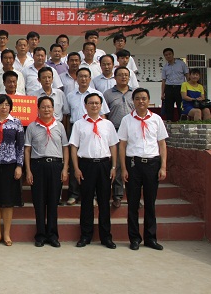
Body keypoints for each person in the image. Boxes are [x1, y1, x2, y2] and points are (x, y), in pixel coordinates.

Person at [118, 88, 168, 251]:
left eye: (144, 98)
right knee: (133, 203)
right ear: (133, 101)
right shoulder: (127, 120)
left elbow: (162, 144)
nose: (141, 101)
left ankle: (150, 238)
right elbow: (122, 145)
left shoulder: (156, 119)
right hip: (133, 164)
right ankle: (134, 238)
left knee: (150, 203)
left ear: (148, 100)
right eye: (138, 98)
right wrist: (123, 168)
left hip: (152, 164)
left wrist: (163, 166)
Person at [69, 93, 118, 249]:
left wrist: (114, 167)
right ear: (86, 105)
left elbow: (113, 146)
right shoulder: (79, 124)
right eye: (91, 103)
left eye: (97, 103)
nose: (94, 106)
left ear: (101, 105)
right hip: (86, 165)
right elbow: (74, 147)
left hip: (104, 165)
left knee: (104, 201)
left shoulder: (108, 125)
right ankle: (85, 235)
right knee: (86, 201)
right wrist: (76, 168)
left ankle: (106, 237)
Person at [24, 96, 69, 247]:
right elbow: (27, 149)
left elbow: (65, 148)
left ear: (53, 109)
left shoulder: (59, 126)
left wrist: (65, 168)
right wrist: (28, 170)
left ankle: (53, 235)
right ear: (38, 109)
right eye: (43, 107)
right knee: (39, 202)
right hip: (38, 165)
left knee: (53, 201)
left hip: (55, 166)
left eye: (49, 107)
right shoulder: (32, 127)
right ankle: (40, 235)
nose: (46, 109)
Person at [66, 67, 110, 206]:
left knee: (92, 161)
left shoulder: (97, 95)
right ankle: (74, 193)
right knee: (75, 163)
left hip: (94, 129)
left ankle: (94, 195)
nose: (83, 79)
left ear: (90, 79)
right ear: (76, 79)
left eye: (86, 76)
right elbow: (67, 115)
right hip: (76, 128)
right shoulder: (70, 95)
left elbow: (103, 114)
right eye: (81, 76)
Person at [0, 94, 24, 246]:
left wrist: (19, 166)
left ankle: (7, 233)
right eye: (1, 104)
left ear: (10, 107)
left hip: (10, 165)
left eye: (7, 104)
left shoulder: (16, 123)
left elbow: (20, 146)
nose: (4, 107)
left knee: (8, 201)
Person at [103, 66, 135, 208]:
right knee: (117, 164)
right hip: (115, 131)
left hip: (132, 132)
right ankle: (117, 195)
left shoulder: (135, 93)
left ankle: (133, 195)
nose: (123, 77)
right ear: (115, 78)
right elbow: (104, 114)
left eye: (126, 75)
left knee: (132, 163)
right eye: (120, 75)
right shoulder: (108, 94)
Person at [161, 48, 189, 121]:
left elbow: (187, 75)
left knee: (181, 105)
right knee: (169, 106)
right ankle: (170, 122)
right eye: (166, 55)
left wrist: (189, 88)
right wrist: (162, 93)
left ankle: (182, 122)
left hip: (180, 87)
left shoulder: (181, 64)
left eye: (169, 54)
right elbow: (163, 81)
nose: (168, 56)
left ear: (173, 54)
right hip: (169, 88)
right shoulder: (165, 67)